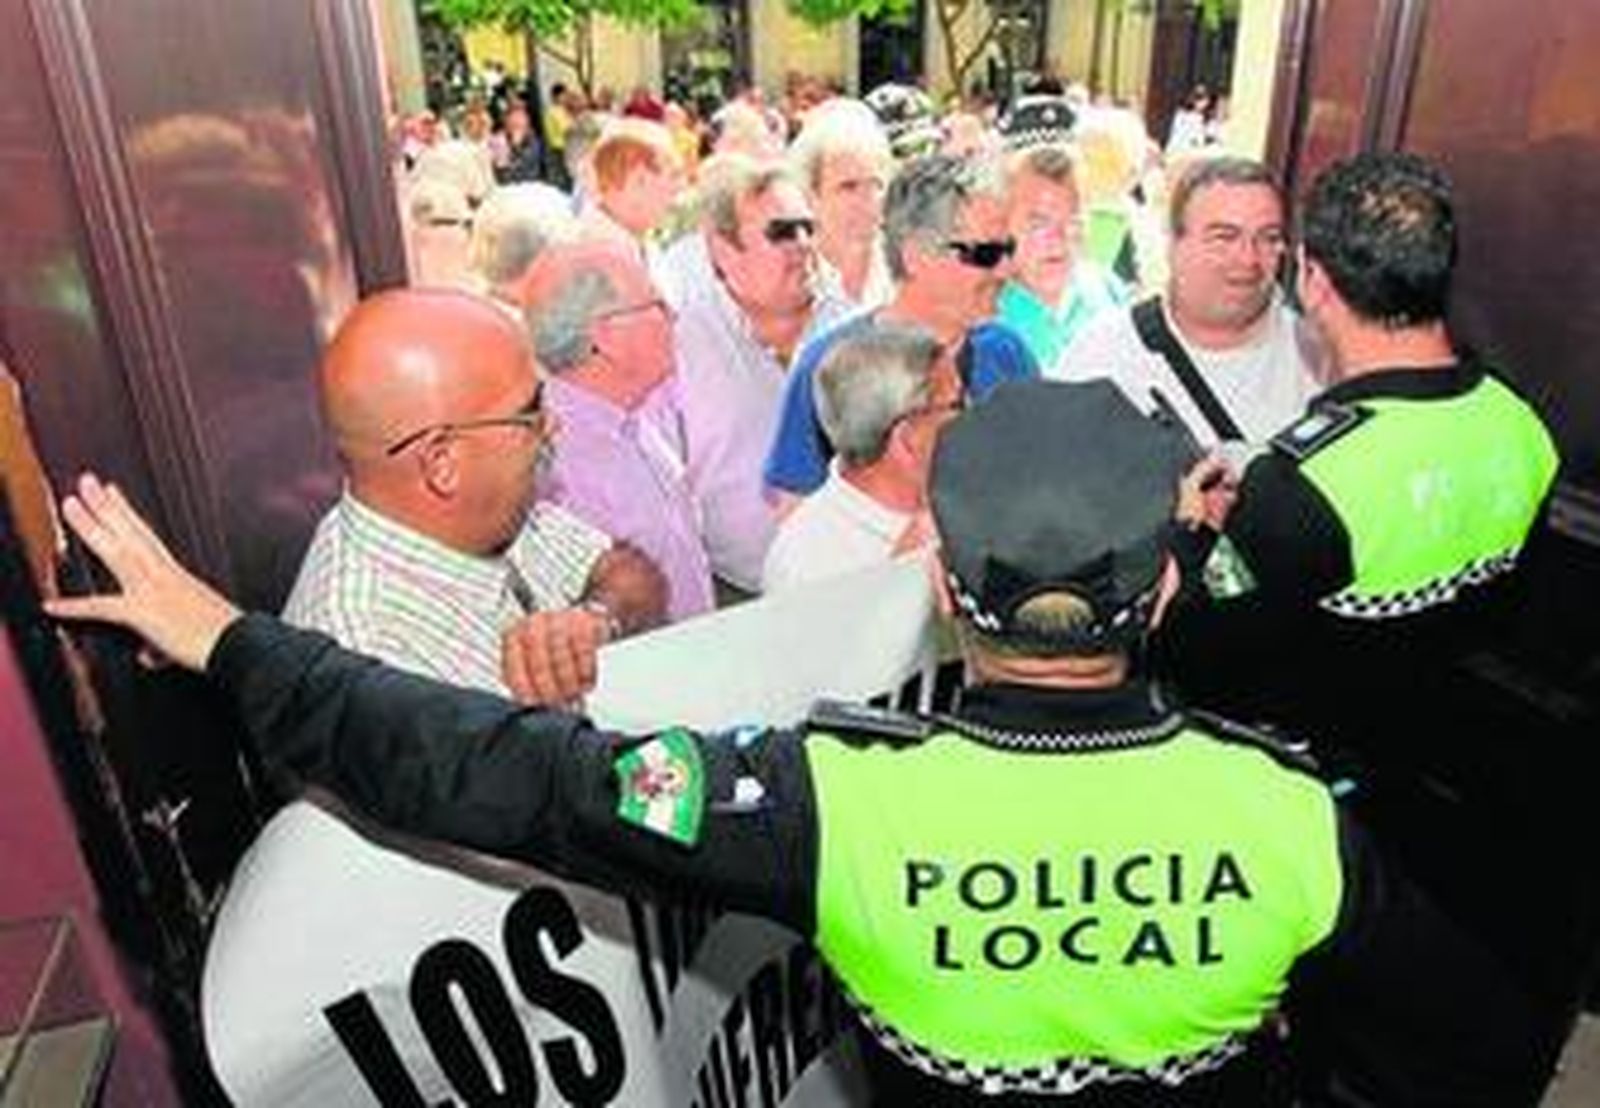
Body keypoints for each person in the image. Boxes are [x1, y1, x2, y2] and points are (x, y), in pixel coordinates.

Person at [51, 380, 1547, 1106]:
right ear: (1160, 582)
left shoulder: (826, 797)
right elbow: (1476, 1036)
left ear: (949, 587)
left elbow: (481, 768)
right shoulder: (1285, 812)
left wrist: (225, 635)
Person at [280, 288, 666, 705]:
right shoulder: (371, 667)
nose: (552, 425)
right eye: (531, 410)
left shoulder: (485, 512)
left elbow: (631, 573)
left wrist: (597, 616)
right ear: (442, 464)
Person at [763, 153, 1037, 505]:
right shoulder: (828, 365)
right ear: (916, 255)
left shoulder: (1005, 350)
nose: (1007, 270)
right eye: (985, 254)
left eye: (1009, 249)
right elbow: (794, 513)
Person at [667, 157, 849, 595]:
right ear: (722, 250)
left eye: (809, 227)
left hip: (853, 582)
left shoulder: (851, 327)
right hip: (737, 595)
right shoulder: (682, 346)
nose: (803, 244)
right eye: (782, 232)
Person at [1056, 156, 1323, 449]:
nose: (1248, 259)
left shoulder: (1318, 359)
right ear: (1173, 244)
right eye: (1224, 238)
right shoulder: (1103, 351)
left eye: (1267, 238)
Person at [523, 241, 715, 622]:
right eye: (657, 305)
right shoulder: (555, 464)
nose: (673, 316)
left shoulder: (639, 414)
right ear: (606, 335)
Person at [761, 323, 952, 592]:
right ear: (907, 437)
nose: (973, 415)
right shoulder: (805, 564)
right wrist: (902, 576)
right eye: (957, 404)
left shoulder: (967, 493)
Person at [996, 142, 1129, 369]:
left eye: (1073, 221)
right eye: (1039, 223)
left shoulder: (1108, 291)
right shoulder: (984, 313)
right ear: (1003, 225)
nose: (1059, 238)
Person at [786, 98, 896, 309]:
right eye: (848, 187)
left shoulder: (909, 275)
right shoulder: (786, 280)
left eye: (876, 185)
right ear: (810, 197)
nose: (867, 202)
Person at [579, 118, 685, 261]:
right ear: (638, 179)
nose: (681, 186)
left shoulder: (633, 241)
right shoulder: (593, 257)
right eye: (673, 175)